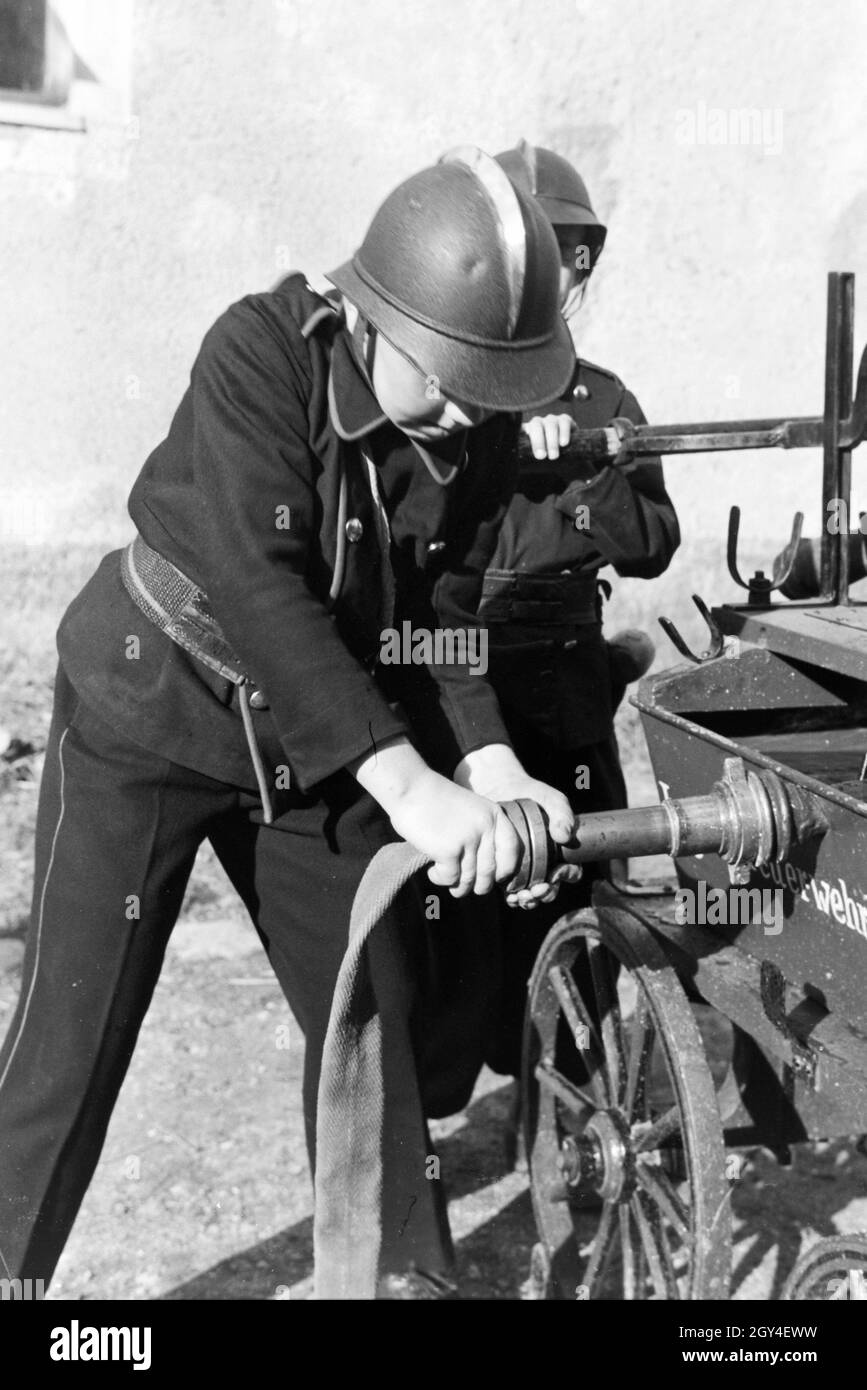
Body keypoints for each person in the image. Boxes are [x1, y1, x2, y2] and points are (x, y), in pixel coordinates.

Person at [0, 146, 581, 1298]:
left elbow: (447, 607)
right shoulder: (259, 354)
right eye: (451, 373)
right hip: (148, 709)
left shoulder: (479, 416)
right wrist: (417, 788)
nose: (470, 406)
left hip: (313, 752)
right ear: (375, 317)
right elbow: (264, 596)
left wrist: (497, 760)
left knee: (376, 1021)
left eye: (492, 382)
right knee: (73, 1040)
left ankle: (397, 1276)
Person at [479, 141, 681, 1085]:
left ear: (579, 268)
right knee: (462, 886)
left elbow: (651, 544)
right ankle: (455, 1076)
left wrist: (582, 477)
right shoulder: (450, 382)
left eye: (563, 251)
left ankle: (581, 1099)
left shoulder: (604, 398)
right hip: (453, 665)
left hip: (564, 668)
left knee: (583, 883)